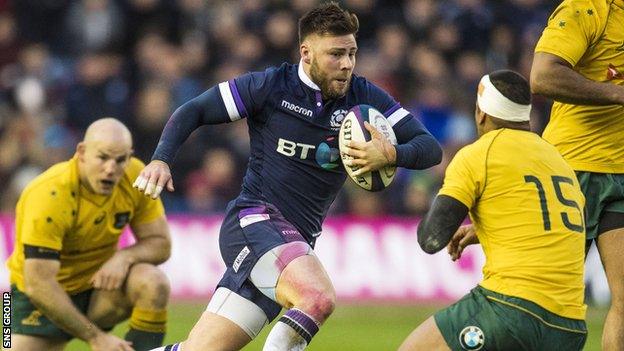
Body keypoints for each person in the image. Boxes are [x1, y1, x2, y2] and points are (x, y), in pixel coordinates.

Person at [134, 3, 442, 350]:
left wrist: (392, 153)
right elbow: (194, 110)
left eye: (352, 53)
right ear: (306, 53)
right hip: (255, 222)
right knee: (317, 299)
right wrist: (161, 159)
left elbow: (429, 148)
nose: (347, 64)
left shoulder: (363, 96)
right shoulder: (270, 87)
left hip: (295, 244)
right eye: (336, 54)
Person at [399, 70, 587, 350]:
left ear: (481, 114)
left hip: (511, 308)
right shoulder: (557, 159)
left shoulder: (479, 154)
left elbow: (431, 238)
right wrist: (481, 229)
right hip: (570, 325)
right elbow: (552, 224)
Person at [6, 118, 172, 351]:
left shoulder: (135, 176)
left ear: (129, 156)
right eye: (102, 157)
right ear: (82, 152)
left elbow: (161, 243)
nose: (111, 169)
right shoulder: (49, 194)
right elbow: (38, 283)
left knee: (153, 282)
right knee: (7, 340)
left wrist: (124, 257)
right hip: (34, 297)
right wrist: (95, 337)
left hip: (97, 290)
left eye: (120, 160)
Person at [530, 1, 624, 349]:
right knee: (548, 300)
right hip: (572, 171)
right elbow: (542, 76)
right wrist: (618, 95)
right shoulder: (588, 8)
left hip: (621, 174)